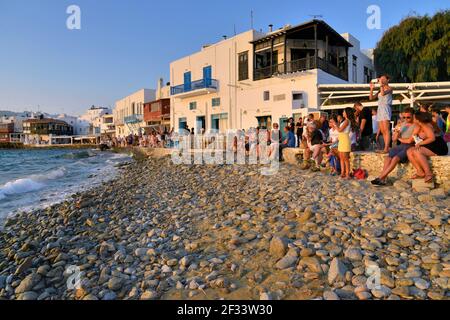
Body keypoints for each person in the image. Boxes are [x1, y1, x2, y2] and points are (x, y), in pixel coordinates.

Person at [371, 108, 416, 186]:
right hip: (401, 145)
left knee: (395, 158)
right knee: (387, 158)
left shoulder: (416, 125)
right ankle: (383, 179)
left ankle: (381, 177)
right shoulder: (403, 124)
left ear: (413, 116)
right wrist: (396, 132)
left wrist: (399, 138)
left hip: (409, 146)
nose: (406, 119)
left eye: (408, 117)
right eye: (404, 117)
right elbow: (394, 139)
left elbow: (410, 141)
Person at [407, 112, 448, 183]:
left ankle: (428, 173)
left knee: (417, 151)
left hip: (438, 147)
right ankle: (420, 172)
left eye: (414, 117)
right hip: (430, 145)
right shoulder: (419, 125)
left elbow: (432, 138)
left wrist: (420, 143)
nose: (413, 119)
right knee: (409, 151)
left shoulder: (426, 125)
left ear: (418, 119)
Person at [370, 75, 393, 154]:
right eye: (381, 79)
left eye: (383, 79)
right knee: (383, 130)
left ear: (388, 80)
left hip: (386, 107)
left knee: (386, 129)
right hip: (380, 108)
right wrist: (371, 89)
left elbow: (383, 94)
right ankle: (385, 147)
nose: (381, 80)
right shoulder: (380, 90)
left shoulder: (390, 88)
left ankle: (387, 147)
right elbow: (371, 98)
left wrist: (381, 85)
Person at [337, 108, 358, 179]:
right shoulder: (344, 121)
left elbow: (340, 130)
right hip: (341, 140)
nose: (343, 112)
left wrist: (334, 124)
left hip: (345, 140)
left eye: (344, 111)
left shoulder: (347, 121)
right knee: (341, 158)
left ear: (347, 113)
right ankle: (343, 173)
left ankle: (347, 174)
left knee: (345, 159)